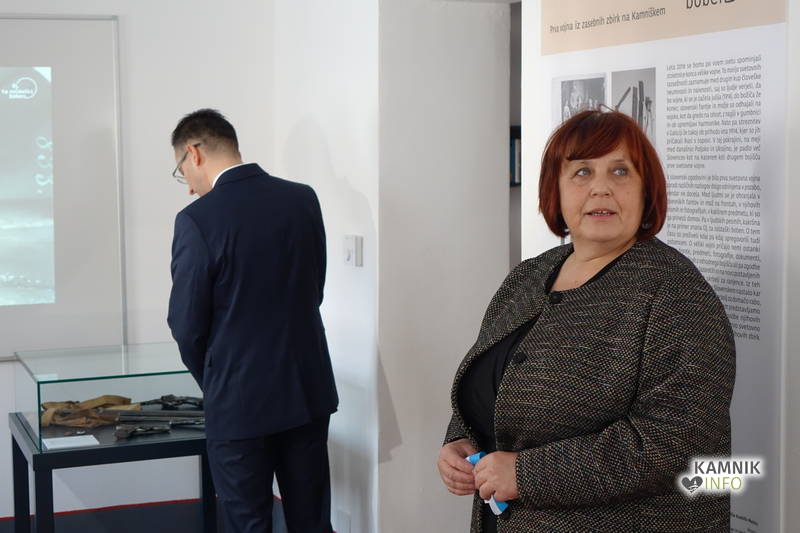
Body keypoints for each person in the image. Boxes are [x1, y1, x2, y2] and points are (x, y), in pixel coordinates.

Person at [437, 109, 735, 532]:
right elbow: (493, 379)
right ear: (555, 191)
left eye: (620, 171)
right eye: (581, 172)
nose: (601, 187)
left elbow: (677, 441)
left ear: (646, 190)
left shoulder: (675, 293)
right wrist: (460, 439)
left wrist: (527, 474)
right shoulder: (528, 276)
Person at [167, 109, 337, 533]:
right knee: (313, 523)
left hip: (239, 403)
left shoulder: (197, 220)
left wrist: (218, 378)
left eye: (182, 171)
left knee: (249, 525)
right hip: (306, 390)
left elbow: (186, 326)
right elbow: (314, 291)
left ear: (194, 153)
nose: (188, 186)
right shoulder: (302, 199)